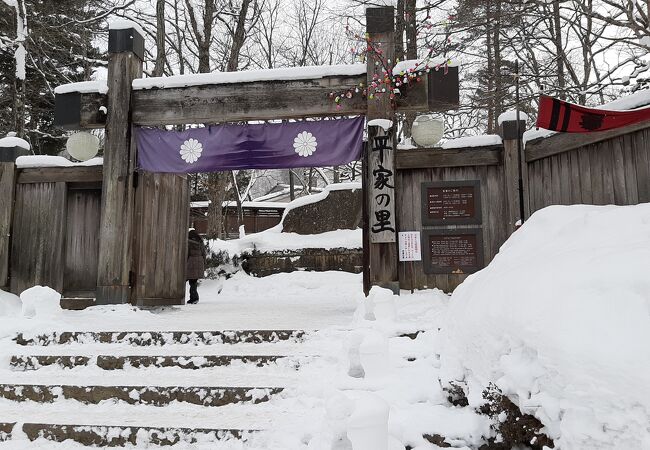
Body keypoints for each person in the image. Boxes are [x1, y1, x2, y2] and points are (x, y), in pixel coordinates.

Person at [186, 229, 206, 304]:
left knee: (192, 282)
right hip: (200, 261)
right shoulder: (200, 241)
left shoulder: (188, 242)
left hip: (192, 261)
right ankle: (194, 298)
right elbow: (204, 252)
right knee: (194, 281)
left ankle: (194, 298)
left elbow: (187, 253)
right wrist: (204, 263)